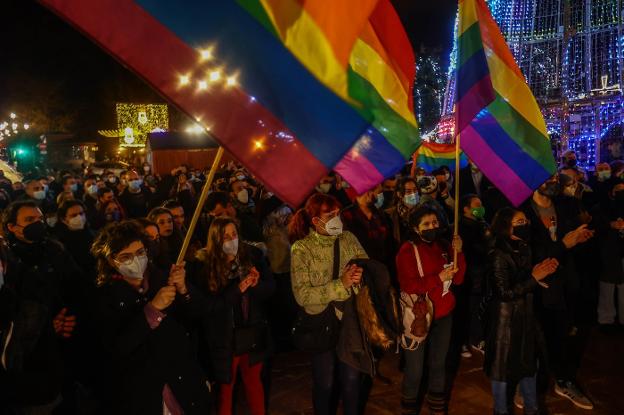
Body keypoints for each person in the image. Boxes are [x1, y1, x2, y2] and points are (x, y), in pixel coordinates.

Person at [91, 220, 211, 414]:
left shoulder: (162, 279)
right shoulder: (105, 297)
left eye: (140, 253)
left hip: (183, 381)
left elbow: (198, 315)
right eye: (126, 256)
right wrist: (152, 310)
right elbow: (116, 348)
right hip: (145, 393)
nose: (136, 260)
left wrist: (184, 290)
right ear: (111, 260)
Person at [289, 193, 368, 415]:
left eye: (337, 213)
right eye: (330, 214)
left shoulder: (349, 239)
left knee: (352, 381)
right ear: (315, 220)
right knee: (326, 382)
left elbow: (366, 268)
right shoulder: (301, 249)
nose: (336, 218)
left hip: (350, 320)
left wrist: (360, 276)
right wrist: (340, 284)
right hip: (321, 323)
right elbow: (303, 295)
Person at [522, 175, 595, 410]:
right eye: (545, 177)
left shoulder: (565, 205)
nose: (552, 181)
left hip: (564, 285)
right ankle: (527, 388)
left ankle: (564, 381)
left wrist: (579, 238)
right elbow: (528, 253)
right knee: (534, 342)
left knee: (563, 338)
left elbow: (570, 242)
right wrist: (564, 244)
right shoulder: (523, 213)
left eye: (554, 176)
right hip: (537, 288)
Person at [190, 217, 274, 415]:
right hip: (224, 338)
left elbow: (270, 289)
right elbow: (209, 307)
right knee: (225, 389)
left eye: (234, 234)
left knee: (254, 382)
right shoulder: (204, 266)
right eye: (225, 236)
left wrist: (256, 285)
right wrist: (237, 289)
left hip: (252, 332)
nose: (231, 240)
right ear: (215, 240)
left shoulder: (252, 256)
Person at [485, 207, 559, 415]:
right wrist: (533, 279)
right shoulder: (497, 253)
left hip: (526, 316)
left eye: (525, 221)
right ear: (505, 226)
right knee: (501, 370)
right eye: (519, 222)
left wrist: (539, 276)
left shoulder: (524, 247)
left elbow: (524, 277)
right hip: (505, 322)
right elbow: (504, 292)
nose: (525, 224)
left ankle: (531, 407)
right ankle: (501, 410)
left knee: (529, 366)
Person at [396, 206, 465, 415]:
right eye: (426, 224)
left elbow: (459, 278)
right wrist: (438, 278)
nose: (432, 227)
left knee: (438, 365)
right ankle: (409, 408)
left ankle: (437, 408)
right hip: (419, 315)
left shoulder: (444, 246)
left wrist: (459, 254)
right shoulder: (407, 250)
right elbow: (409, 285)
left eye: (434, 222)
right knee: (415, 370)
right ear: (415, 228)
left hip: (444, 313)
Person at [456, 194, 491, 358]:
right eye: (477, 205)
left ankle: (477, 337)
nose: (480, 207)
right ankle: (465, 340)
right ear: (466, 209)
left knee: (479, 306)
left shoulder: (482, 224)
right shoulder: (460, 227)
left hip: (482, 271)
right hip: (469, 273)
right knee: (468, 307)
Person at [592, 180, 624, 330]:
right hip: (608, 252)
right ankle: (606, 319)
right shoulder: (601, 208)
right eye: (618, 190)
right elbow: (595, 227)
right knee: (607, 286)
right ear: (611, 192)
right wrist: (609, 225)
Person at [53, 200, 96, 281]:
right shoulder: (60, 243)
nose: (79, 217)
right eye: (74, 215)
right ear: (63, 219)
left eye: (81, 213)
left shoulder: (92, 233)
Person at [386, 177, 420, 247]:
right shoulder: (390, 215)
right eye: (408, 191)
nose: (413, 194)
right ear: (399, 194)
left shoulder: (424, 210)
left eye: (415, 190)